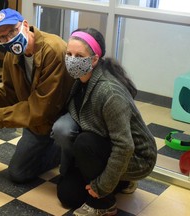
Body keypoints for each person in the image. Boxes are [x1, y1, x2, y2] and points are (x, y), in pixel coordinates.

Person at [51, 28, 157, 216]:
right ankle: (121, 182)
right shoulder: (80, 80)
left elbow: (124, 146)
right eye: (69, 54)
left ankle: (105, 204)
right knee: (67, 195)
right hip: (103, 147)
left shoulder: (109, 92)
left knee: (84, 141)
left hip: (136, 157)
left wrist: (102, 187)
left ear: (94, 59)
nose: (72, 59)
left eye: (79, 55)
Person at [0, 8, 74, 184]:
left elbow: (42, 106)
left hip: (61, 115)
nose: (8, 39)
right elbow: (10, 93)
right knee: (18, 173)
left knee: (63, 131)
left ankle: (67, 149)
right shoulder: (11, 56)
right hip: (37, 121)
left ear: (24, 25)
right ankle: (56, 150)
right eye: (2, 37)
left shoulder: (53, 49)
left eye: (12, 32)